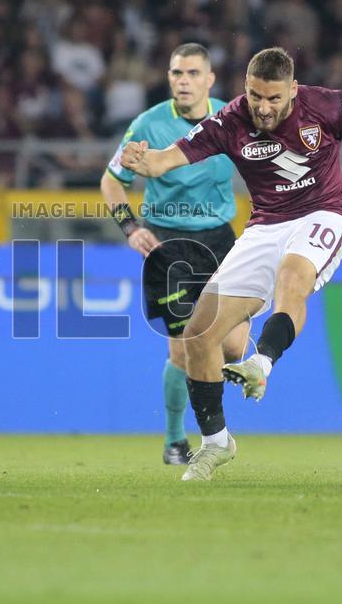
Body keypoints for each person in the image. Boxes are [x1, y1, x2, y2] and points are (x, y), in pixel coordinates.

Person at [120, 47, 342, 482]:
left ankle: (262, 363)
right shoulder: (230, 120)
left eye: (274, 99)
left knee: (293, 277)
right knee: (198, 334)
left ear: (292, 89)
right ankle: (216, 444)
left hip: (321, 213)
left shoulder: (326, 104)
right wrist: (145, 162)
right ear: (245, 89)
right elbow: (167, 159)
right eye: (256, 96)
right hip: (264, 226)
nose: (263, 108)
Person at [101, 43, 249, 465]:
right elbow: (111, 182)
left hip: (220, 241)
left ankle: (202, 423)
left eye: (191, 74)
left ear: (209, 79)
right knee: (183, 350)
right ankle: (174, 440)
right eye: (176, 73)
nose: (182, 81)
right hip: (168, 245)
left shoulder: (232, 118)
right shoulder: (147, 125)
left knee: (234, 349)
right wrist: (130, 227)